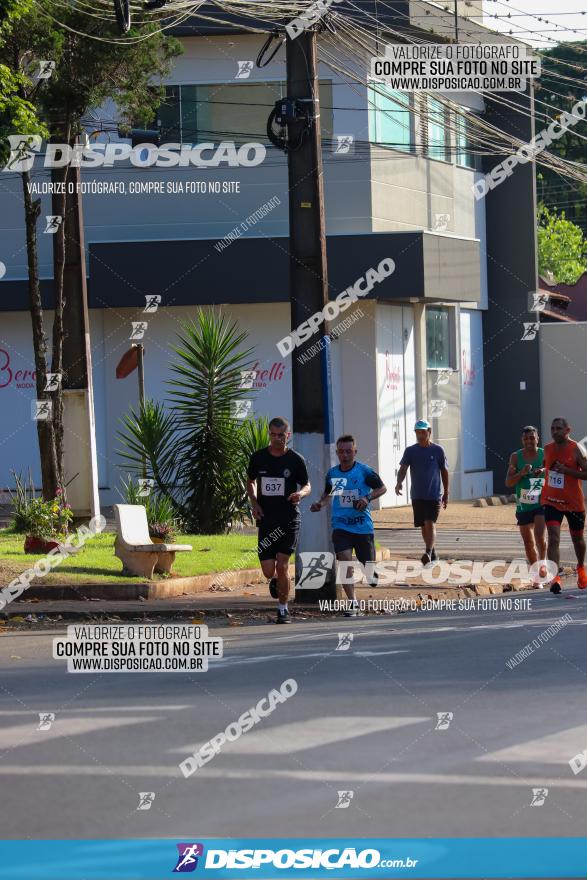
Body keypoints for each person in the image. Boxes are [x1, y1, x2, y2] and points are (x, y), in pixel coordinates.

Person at [310, 435, 387, 617]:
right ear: (337, 453)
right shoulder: (333, 474)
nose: (345, 455)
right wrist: (320, 504)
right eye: (341, 452)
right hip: (341, 526)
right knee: (344, 561)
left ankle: (371, 572)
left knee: (368, 567)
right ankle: (353, 602)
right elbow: (329, 495)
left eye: (349, 451)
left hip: (362, 527)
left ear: (355, 452)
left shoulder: (364, 471)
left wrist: (366, 498)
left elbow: (382, 488)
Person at [247, 416, 311, 623]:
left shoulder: (295, 460)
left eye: (281, 435)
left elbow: (307, 486)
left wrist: (300, 494)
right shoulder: (258, 458)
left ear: (288, 435)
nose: (277, 439)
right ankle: (276, 581)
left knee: (282, 565)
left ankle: (283, 609)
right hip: (266, 520)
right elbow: (250, 481)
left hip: (289, 520)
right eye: (273, 435)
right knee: (268, 571)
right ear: (269, 434)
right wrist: (254, 502)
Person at [541, 417, 587, 594]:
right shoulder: (547, 449)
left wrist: (567, 471)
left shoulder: (577, 449)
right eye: (552, 428)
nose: (555, 432)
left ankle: (581, 567)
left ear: (568, 430)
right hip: (551, 501)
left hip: (573, 503)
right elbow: (547, 466)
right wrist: (541, 470)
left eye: (559, 428)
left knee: (578, 539)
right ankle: (555, 577)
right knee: (553, 537)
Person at [395, 419, 449, 564]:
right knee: (423, 525)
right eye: (418, 432)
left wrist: (446, 492)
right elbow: (403, 469)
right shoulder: (410, 451)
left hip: (433, 494)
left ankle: (428, 552)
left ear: (429, 432)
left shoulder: (438, 450)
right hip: (417, 495)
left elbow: (444, 471)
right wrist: (399, 482)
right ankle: (432, 551)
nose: (420, 435)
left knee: (429, 522)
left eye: (423, 432)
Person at [505, 426, 547, 583]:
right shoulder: (516, 457)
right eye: (526, 439)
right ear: (522, 440)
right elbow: (508, 482)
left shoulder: (544, 453)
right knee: (528, 542)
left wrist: (542, 469)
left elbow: (552, 469)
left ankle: (542, 565)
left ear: (537, 439)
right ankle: (535, 570)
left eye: (532, 438)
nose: (529, 441)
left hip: (541, 501)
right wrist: (521, 473)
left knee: (540, 536)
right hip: (523, 504)